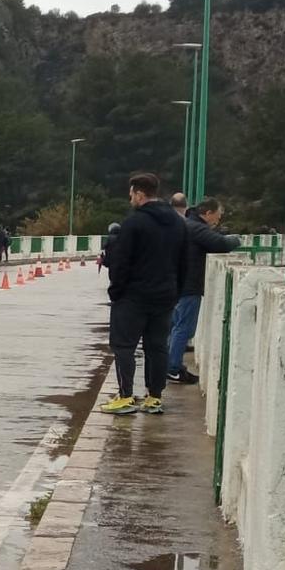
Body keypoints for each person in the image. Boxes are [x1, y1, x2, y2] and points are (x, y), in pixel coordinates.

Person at [100, 172, 188, 415]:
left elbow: (121, 262)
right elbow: (184, 262)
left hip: (133, 296)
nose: (130, 199)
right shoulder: (178, 222)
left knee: (123, 346)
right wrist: (175, 290)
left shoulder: (134, 223)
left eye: (131, 194)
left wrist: (116, 291)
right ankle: (154, 397)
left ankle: (126, 396)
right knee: (157, 346)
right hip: (165, 296)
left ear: (139, 194)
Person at [167, 198, 240, 384]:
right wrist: (235, 239)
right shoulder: (197, 228)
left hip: (178, 284)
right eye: (218, 214)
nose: (219, 219)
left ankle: (169, 364)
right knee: (185, 328)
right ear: (207, 213)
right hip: (189, 286)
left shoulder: (186, 224)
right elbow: (221, 244)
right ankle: (172, 368)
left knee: (176, 326)